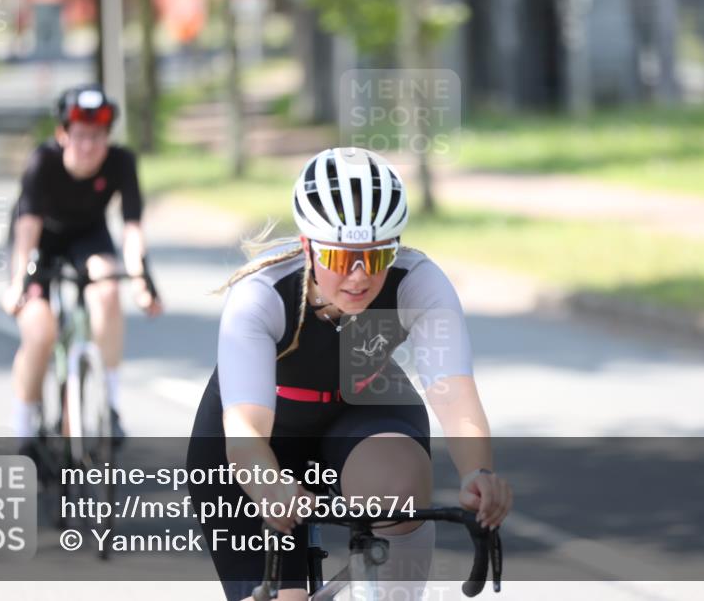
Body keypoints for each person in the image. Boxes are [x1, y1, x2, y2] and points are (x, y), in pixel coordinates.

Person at [187, 147, 512, 601]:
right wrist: (266, 482)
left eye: (376, 257)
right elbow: (245, 431)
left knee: (398, 488)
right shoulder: (261, 294)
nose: (358, 277)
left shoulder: (419, 282)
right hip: (262, 439)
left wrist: (476, 470)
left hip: (360, 409)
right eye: (341, 259)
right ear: (308, 247)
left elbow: (454, 394)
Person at [2, 84, 162, 445]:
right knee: (40, 332)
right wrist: (17, 283)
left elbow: (132, 228)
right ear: (63, 135)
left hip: (88, 236)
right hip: (40, 241)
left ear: (108, 137)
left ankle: (111, 406)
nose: (88, 146)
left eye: (97, 137)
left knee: (108, 290)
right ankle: (23, 426)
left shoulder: (121, 161)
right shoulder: (43, 161)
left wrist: (142, 282)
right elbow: (26, 229)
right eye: (80, 136)